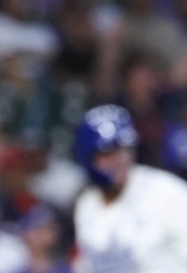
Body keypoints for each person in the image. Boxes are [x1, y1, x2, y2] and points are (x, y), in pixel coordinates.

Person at [72, 104, 187, 272]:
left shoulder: (167, 193)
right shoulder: (87, 205)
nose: (119, 160)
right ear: (87, 158)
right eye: (107, 153)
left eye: (123, 150)